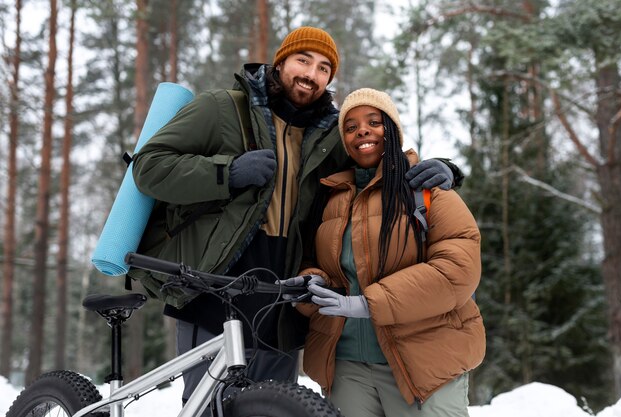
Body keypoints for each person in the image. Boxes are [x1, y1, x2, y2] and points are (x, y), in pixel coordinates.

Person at [131, 27, 463, 411]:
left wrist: (446, 168)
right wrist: (227, 173)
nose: (311, 74)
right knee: (209, 406)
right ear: (281, 62)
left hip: (284, 293)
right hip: (215, 283)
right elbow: (150, 167)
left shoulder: (333, 134)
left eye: (324, 68)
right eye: (303, 60)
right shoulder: (223, 108)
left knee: (275, 407)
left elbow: (378, 159)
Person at [285, 88, 486, 417]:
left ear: (391, 130)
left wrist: (368, 304)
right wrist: (312, 284)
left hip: (425, 363)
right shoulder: (331, 197)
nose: (361, 131)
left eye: (373, 122)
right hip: (348, 366)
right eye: (350, 127)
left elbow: (456, 272)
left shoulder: (428, 189)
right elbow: (318, 265)